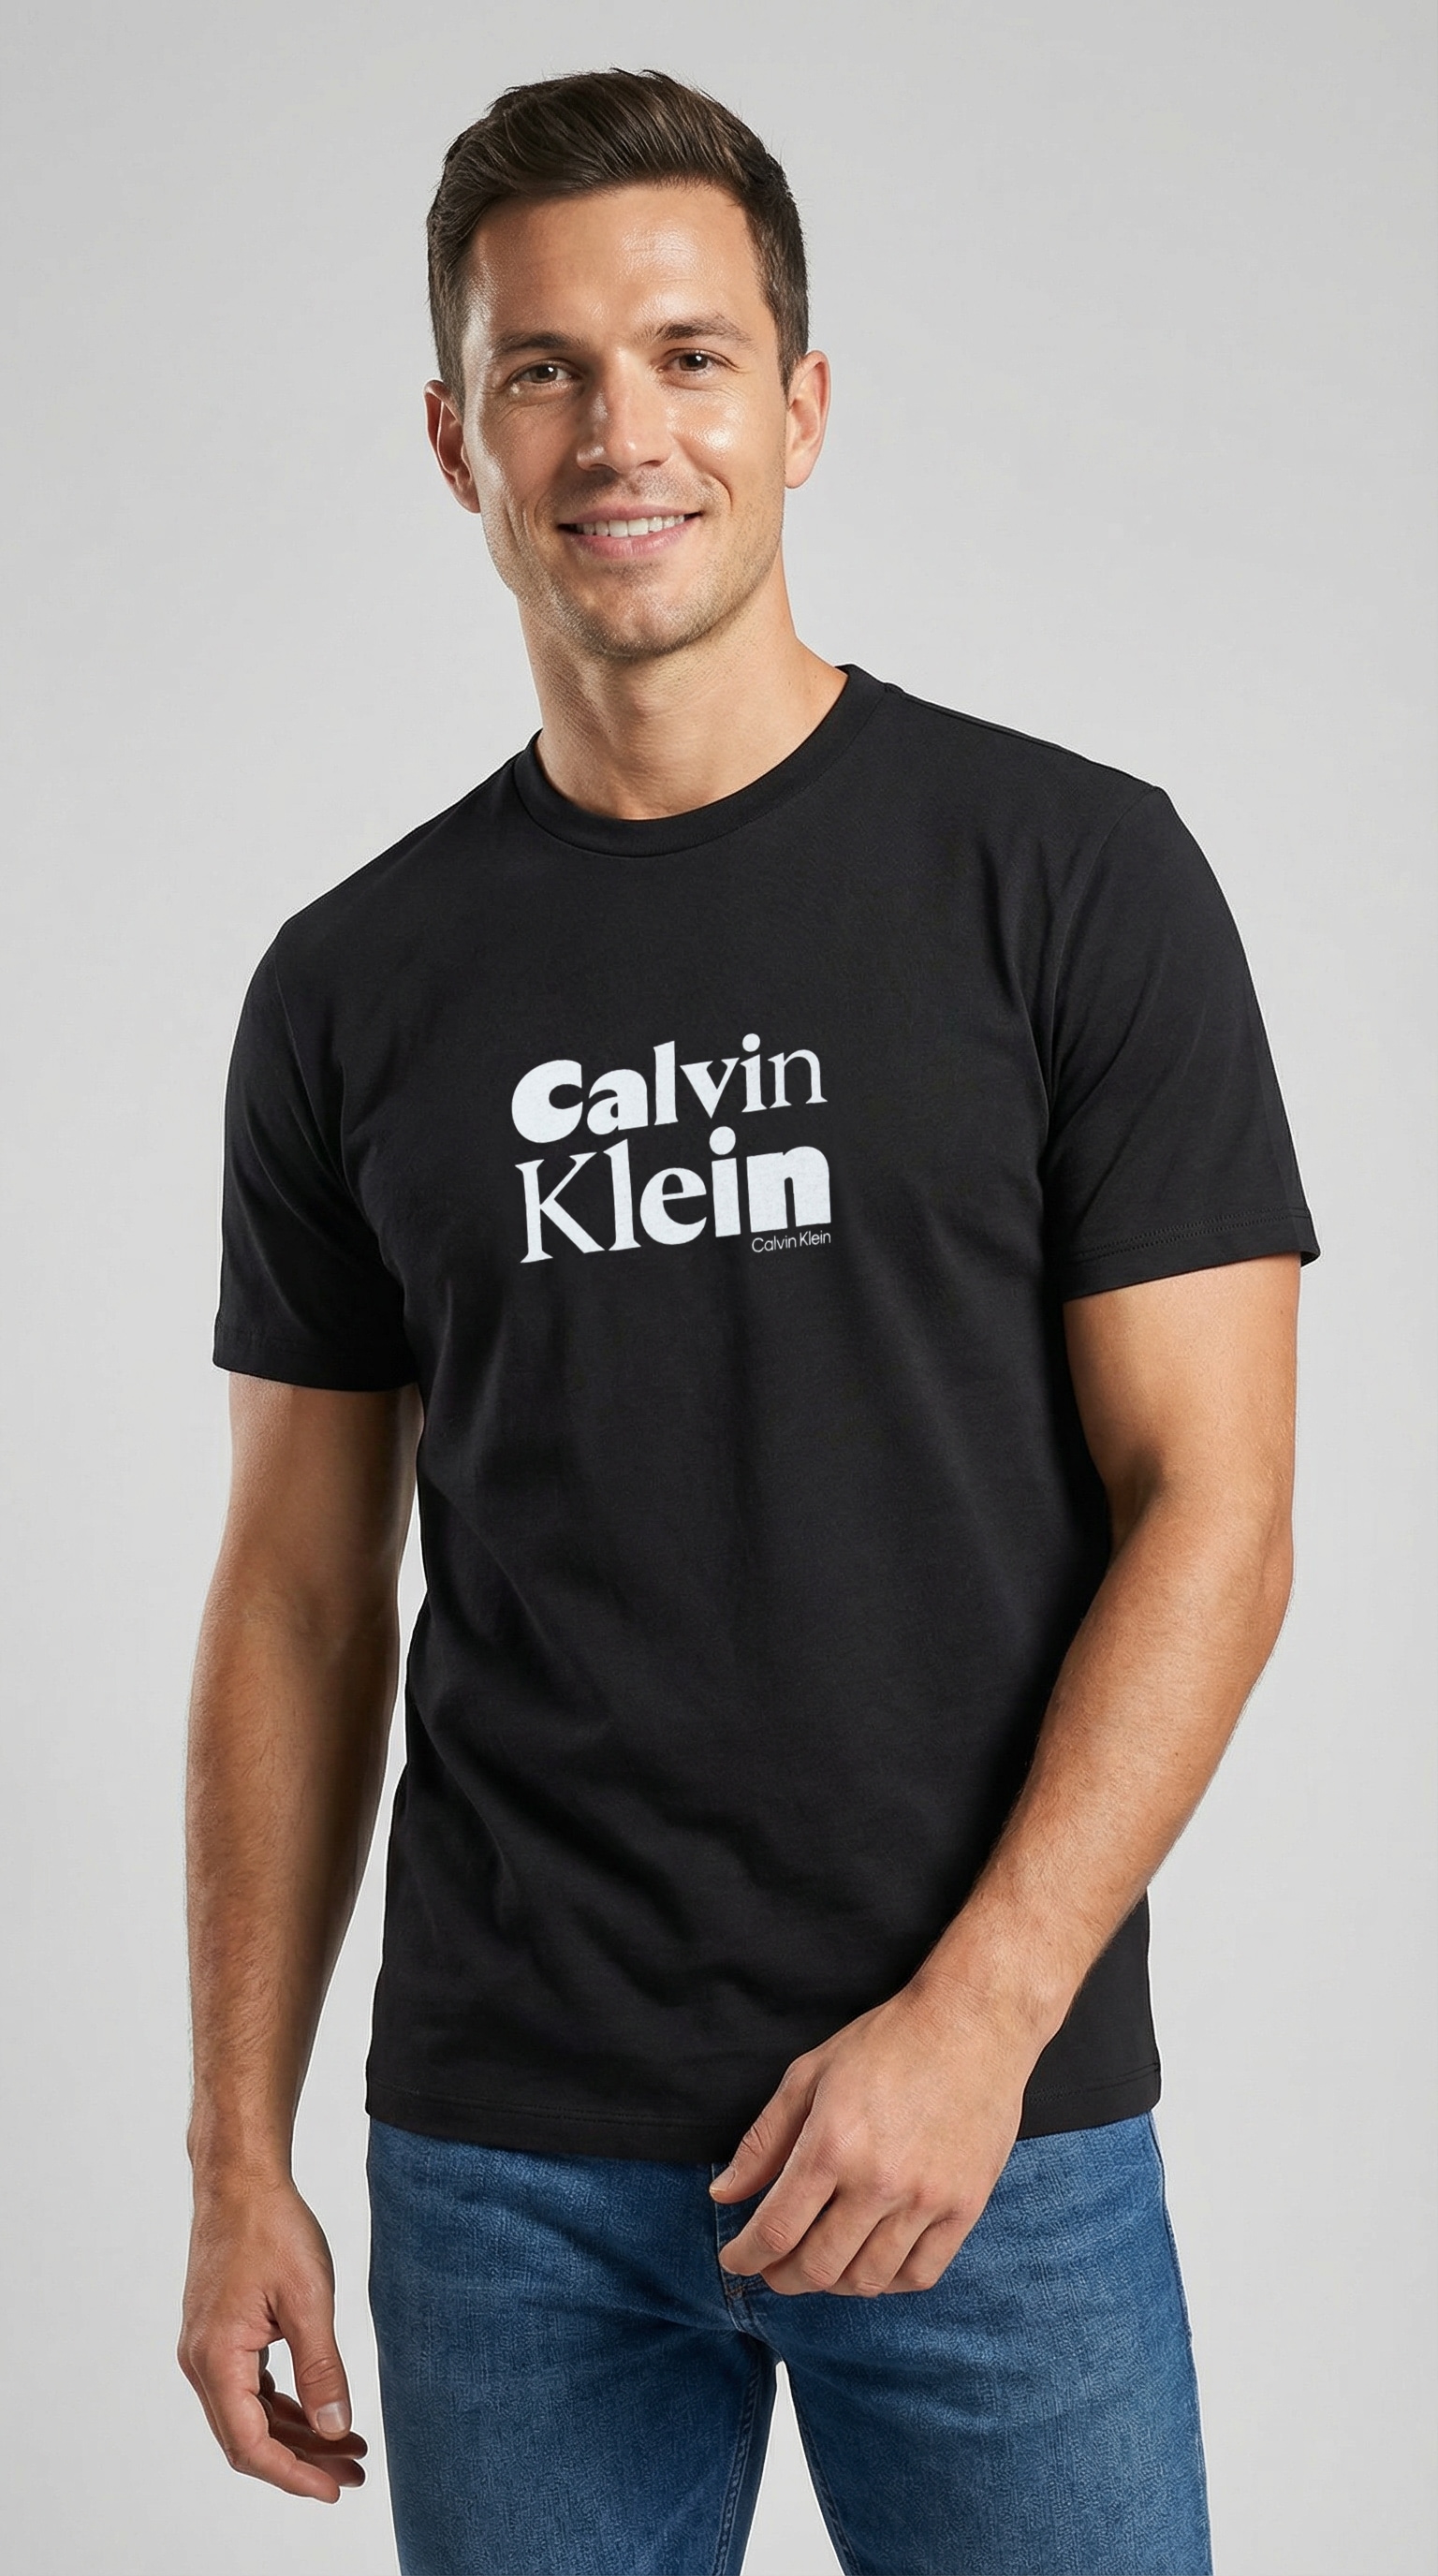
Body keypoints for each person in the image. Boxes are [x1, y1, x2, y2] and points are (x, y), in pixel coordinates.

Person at [177, 66, 1318, 2576]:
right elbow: (294, 1594)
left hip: (983, 2140)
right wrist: (235, 2151)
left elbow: (1217, 1511)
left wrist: (979, 2022)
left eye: (689, 358)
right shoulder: (350, 988)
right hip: (508, 2171)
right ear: (456, 440)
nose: (623, 434)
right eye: (546, 372)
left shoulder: (1069, 879)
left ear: (800, 407)